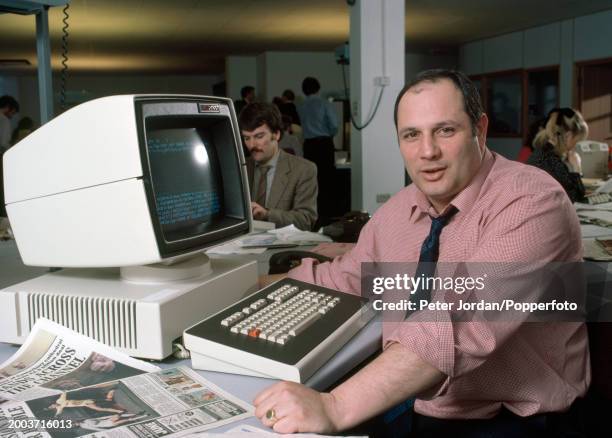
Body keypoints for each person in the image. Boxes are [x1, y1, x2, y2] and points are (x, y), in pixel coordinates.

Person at [253, 69, 589, 436]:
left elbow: (458, 322)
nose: (427, 152)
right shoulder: (398, 212)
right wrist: (250, 290)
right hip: (413, 405)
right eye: (411, 135)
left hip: (511, 420)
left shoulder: (534, 201)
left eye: (445, 130)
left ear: (480, 129)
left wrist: (334, 406)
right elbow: (345, 276)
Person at [239, 102, 317, 231]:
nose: (252, 145)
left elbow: (306, 220)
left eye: (259, 136)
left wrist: (267, 214)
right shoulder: (239, 169)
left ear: (276, 134)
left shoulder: (304, 170)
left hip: (284, 246)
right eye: (247, 138)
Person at [298, 77, 338, 225]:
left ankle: (313, 214)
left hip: (309, 145)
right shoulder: (323, 103)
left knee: (311, 179)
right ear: (318, 88)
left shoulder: (301, 106)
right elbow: (334, 125)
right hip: (323, 143)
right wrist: (329, 134)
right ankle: (328, 215)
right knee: (327, 178)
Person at [527, 107, 588, 203]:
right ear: (568, 136)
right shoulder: (551, 160)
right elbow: (576, 199)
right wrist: (577, 168)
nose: (574, 147)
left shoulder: (543, 152)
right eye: (576, 141)